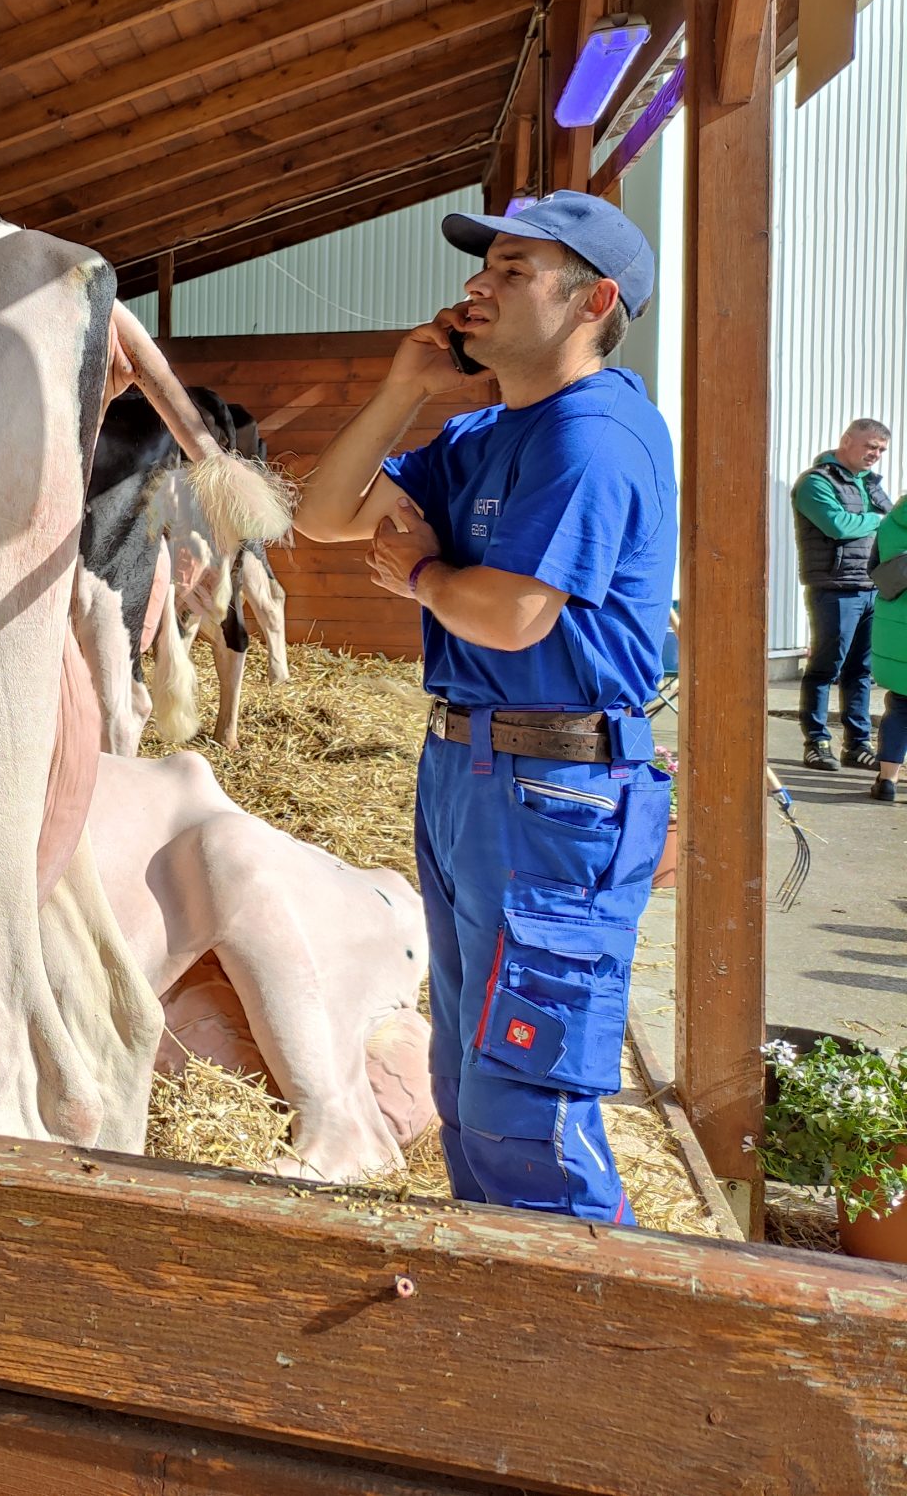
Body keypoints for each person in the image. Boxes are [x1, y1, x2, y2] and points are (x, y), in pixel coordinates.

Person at [293, 190, 671, 1222]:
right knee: (468, 1079)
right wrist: (402, 386)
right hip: (469, 771)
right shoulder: (483, 434)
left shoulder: (591, 435)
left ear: (591, 298)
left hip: (555, 783)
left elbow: (508, 613)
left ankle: (590, 1336)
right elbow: (325, 514)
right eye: (483, 265)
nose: (476, 286)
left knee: (525, 1092)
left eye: (511, 271)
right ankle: (505, 1304)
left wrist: (419, 574)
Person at [793, 419, 892, 771]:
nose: (875, 455)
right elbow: (836, 525)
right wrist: (877, 519)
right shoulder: (815, 482)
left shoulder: (871, 485)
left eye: (881, 449)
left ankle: (857, 744)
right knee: (825, 668)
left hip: (872, 588)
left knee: (861, 671)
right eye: (870, 446)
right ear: (847, 440)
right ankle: (817, 742)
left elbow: (893, 521)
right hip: (834, 589)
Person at [868, 491, 907, 803]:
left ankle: (887, 782)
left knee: (899, 706)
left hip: (895, 635)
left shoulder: (890, 523)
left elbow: (875, 571)